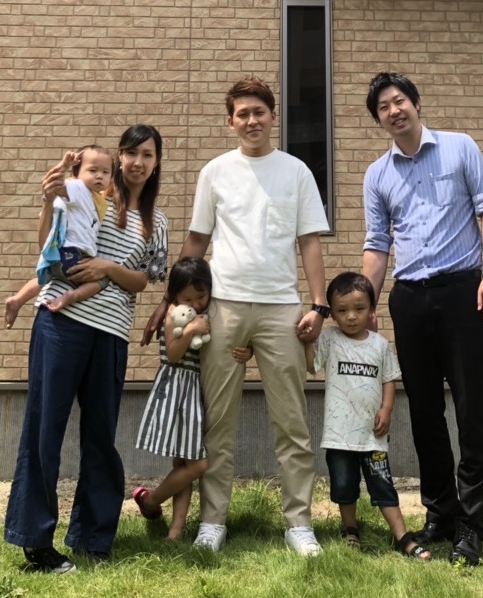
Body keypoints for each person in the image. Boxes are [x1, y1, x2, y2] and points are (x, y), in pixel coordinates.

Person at [142, 76, 330, 556]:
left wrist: (318, 304)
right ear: (230, 122)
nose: (251, 121)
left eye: (259, 112)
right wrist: (169, 300)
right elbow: (197, 240)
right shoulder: (216, 171)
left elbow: (309, 241)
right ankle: (213, 521)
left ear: (273, 117)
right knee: (218, 423)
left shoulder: (296, 171)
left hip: (281, 308)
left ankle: (299, 524)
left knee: (292, 422)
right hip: (222, 307)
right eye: (242, 114)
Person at [4, 124, 168, 574]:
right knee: (44, 429)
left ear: (156, 163)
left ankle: (93, 537)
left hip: (111, 332)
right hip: (62, 322)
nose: (138, 162)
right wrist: (47, 200)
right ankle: (36, 541)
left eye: (147, 155)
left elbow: (145, 280)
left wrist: (108, 266)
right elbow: (48, 246)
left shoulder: (156, 222)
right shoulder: (86, 193)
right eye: (130, 153)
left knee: (100, 437)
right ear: (118, 158)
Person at [362, 72, 483, 566]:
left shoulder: (460, 147)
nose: (394, 110)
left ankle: (472, 524)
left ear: (416, 103)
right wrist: (366, 304)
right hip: (410, 299)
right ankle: (441, 511)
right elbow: (377, 243)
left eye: (399, 100)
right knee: (424, 413)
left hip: (464, 291)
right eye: (384, 107)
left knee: (471, 410)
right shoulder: (377, 174)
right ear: (379, 119)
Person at [304, 272, 431, 560]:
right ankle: (350, 529)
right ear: (332, 313)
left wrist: (386, 409)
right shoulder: (330, 339)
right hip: (339, 436)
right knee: (344, 487)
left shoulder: (379, 345)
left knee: (383, 485)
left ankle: (402, 537)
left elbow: (389, 379)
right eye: (342, 310)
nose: (351, 316)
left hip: (372, 436)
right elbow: (311, 366)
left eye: (359, 308)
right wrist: (307, 341)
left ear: (372, 309)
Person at [133, 257, 252, 541]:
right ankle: (151, 500)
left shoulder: (205, 314)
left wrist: (247, 352)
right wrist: (190, 330)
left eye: (201, 296)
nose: (196, 303)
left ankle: (175, 532)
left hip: (195, 392)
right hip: (176, 392)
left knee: (184, 465)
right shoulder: (173, 314)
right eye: (188, 298)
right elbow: (174, 355)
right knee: (197, 465)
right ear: (174, 295)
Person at [4, 145, 114, 328]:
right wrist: (64, 165)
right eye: (93, 170)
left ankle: (18, 299)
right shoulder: (79, 188)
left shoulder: (95, 198)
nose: (99, 176)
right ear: (77, 173)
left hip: (60, 256)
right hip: (74, 255)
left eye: (105, 172)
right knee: (103, 280)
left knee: (48, 277)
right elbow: (57, 184)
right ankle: (71, 296)